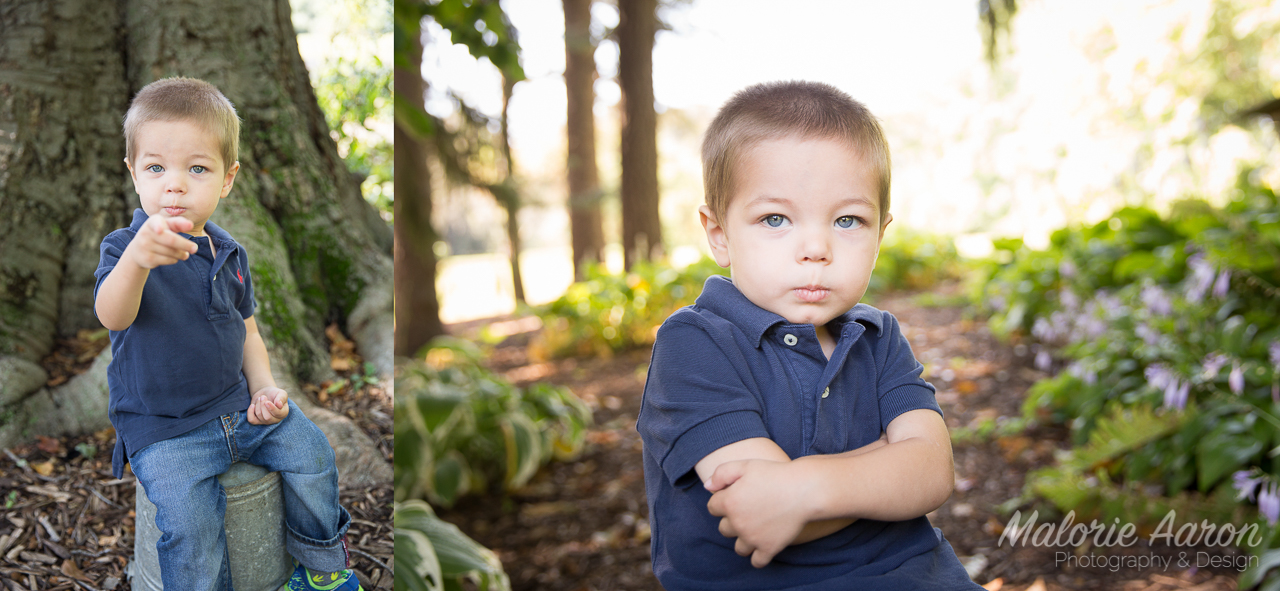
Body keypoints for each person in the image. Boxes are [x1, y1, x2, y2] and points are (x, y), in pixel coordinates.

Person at [636, 80, 983, 590]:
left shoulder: (876, 336)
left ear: (880, 235)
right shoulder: (695, 344)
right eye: (775, 218)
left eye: (848, 220)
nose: (816, 247)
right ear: (719, 233)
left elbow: (932, 474)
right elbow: (757, 509)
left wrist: (804, 485)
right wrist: (887, 461)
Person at [93, 77, 361, 591]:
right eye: (156, 168)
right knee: (191, 526)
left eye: (196, 168)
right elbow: (112, 315)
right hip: (165, 431)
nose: (174, 184)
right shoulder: (124, 248)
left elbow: (248, 332)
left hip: (240, 412)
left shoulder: (230, 253)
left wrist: (263, 389)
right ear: (133, 174)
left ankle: (321, 568)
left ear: (227, 179)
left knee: (312, 453)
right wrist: (138, 261)